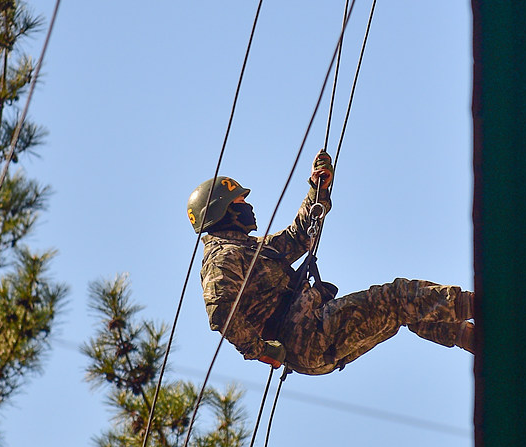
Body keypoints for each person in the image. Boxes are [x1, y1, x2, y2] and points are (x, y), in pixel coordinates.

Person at [187, 152, 474, 375]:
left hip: (313, 334)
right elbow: (221, 311)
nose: (247, 207)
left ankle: (471, 337)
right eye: (239, 202)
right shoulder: (222, 258)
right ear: (222, 213)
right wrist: (259, 350)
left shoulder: (249, 249)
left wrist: (317, 188)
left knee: (404, 313)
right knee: (396, 297)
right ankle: (478, 305)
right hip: (308, 336)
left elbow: (299, 237)